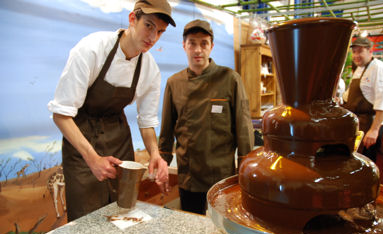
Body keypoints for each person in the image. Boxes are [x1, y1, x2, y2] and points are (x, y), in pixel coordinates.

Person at [47, 0, 175, 221]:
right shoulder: (92, 49)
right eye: (149, 26)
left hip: (118, 139)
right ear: (132, 19)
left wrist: (155, 153)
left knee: (122, 210)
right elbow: (61, 115)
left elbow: (146, 122)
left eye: (160, 32)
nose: (153, 38)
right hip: (81, 140)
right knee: (85, 218)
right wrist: (92, 158)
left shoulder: (150, 68)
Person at [158, 19, 254, 215]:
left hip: (222, 176)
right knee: (192, 228)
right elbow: (167, 129)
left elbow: (243, 127)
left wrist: (244, 170)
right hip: (189, 176)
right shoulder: (174, 83)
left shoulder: (230, 79)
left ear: (212, 46)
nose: (198, 50)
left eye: (204, 43)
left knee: (220, 233)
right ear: (184, 46)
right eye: (192, 43)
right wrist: (162, 165)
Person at [343, 36, 383, 162]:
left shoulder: (378, 68)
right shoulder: (359, 68)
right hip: (358, 124)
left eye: (360, 51)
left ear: (370, 51)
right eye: (354, 52)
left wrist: (374, 130)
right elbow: (348, 95)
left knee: (365, 161)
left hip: (369, 125)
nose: (356, 55)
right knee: (354, 160)